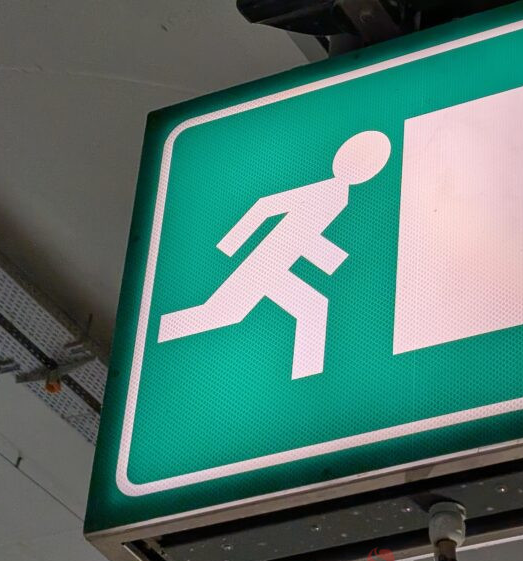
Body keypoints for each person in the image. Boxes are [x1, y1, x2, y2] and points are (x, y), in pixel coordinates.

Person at [158, 130, 391, 379]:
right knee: (220, 313)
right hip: (267, 261)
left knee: (312, 308)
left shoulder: (340, 196)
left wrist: (332, 259)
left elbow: (307, 232)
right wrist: (232, 242)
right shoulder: (320, 190)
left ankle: (306, 377)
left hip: (281, 264)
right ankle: (161, 332)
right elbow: (265, 207)